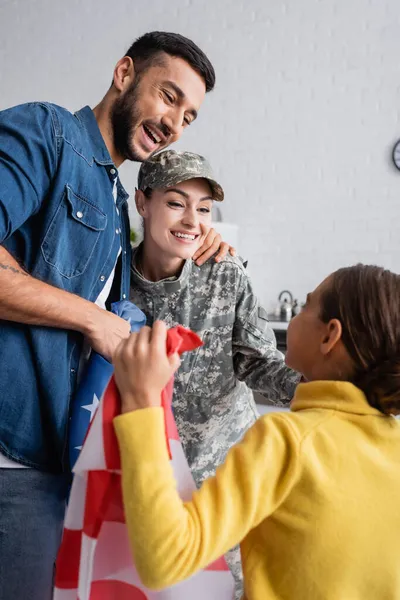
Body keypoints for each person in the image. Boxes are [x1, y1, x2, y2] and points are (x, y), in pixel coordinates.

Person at [0, 31, 232, 600]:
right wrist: (92, 319)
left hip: (50, 464)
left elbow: (129, 301)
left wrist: (199, 241)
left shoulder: (110, 197)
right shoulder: (48, 133)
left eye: (190, 115)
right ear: (124, 74)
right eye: (168, 96)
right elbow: (96, 318)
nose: (175, 122)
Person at [114, 263, 400, 600]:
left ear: (329, 335)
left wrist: (141, 398)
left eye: (307, 306)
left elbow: (165, 558)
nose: (298, 314)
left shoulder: (286, 441)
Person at [129, 149, 299, 596]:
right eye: (176, 202)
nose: (192, 220)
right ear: (142, 203)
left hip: (224, 488)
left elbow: (258, 362)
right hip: (147, 482)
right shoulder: (109, 278)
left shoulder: (226, 274)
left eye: (203, 209)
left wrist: (315, 392)